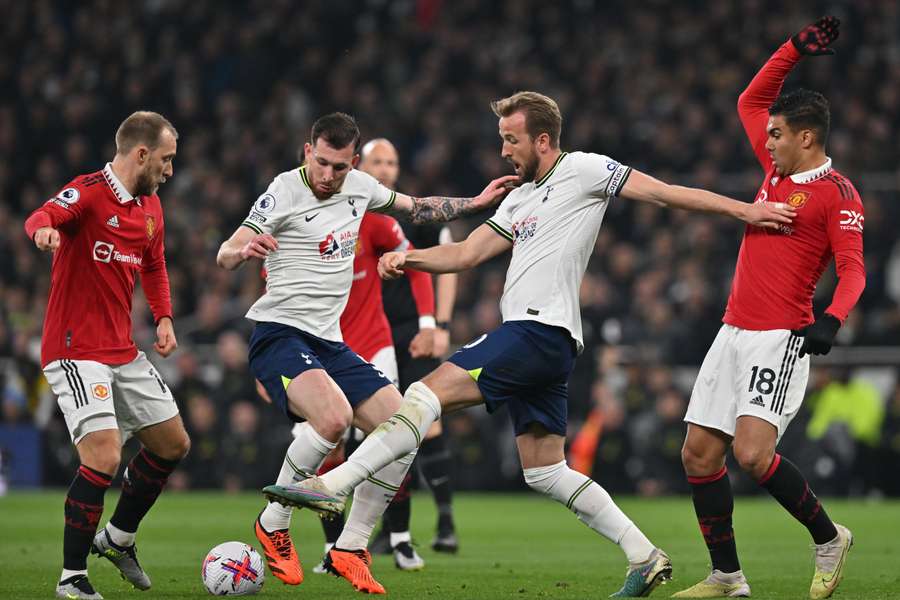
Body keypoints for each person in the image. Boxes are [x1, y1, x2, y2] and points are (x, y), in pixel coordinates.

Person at [266, 91, 795, 597]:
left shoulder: (585, 169)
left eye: (510, 139)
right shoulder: (519, 197)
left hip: (538, 332)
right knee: (544, 468)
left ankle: (334, 495)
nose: (503, 150)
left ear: (542, 140)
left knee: (422, 397)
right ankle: (644, 555)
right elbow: (470, 252)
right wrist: (409, 261)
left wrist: (743, 211)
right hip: (545, 344)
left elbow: (663, 191)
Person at [216, 112, 516, 594]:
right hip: (280, 336)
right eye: (321, 163)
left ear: (353, 163)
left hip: (330, 343)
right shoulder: (284, 189)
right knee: (332, 420)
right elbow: (226, 249)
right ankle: (274, 523)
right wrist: (241, 250)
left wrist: (477, 202)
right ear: (308, 150)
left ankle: (351, 547)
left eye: (339, 167)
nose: (328, 176)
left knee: (406, 427)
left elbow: (417, 208)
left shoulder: (360, 186)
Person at [672, 17, 862, 600]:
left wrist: (833, 318)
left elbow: (854, 268)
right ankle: (727, 577)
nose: (767, 140)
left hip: (779, 337)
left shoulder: (837, 194)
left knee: (753, 454)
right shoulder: (775, 172)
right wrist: (794, 49)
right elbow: (749, 98)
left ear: (806, 137)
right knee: (698, 455)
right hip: (731, 331)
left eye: (777, 134)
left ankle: (830, 539)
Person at [24, 111, 190, 600]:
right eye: (166, 160)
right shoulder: (90, 192)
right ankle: (71, 578)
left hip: (122, 349)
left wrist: (163, 316)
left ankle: (117, 538)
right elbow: (43, 214)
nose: (170, 170)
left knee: (173, 443)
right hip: (75, 350)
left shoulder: (151, 207)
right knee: (103, 454)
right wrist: (42, 233)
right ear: (141, 154)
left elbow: (155, 264)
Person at [370, 138, 463, 555]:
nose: (386, 169)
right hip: (367, 332)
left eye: (392, 162)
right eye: (378, 162)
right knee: (378, 427)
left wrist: (439, 325)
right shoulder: (347, 211)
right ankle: (392, 527)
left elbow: (445, 266)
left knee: (429, 421)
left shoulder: (413, 215)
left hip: (412, 331)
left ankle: (445, 522)